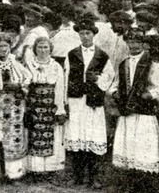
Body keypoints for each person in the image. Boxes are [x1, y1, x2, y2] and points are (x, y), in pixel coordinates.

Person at [110, 28, 159, 190]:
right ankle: (130, 182)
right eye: (131, 42)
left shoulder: (153, 65)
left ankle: (144, 184)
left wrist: (150, 94)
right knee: (129, 146)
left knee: (143, 147)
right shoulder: (123, 64)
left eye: (137, 42)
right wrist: (115, 93)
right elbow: (114, 84)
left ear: (143, 44)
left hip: (144, 112)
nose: (134, 45)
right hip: (127, 112)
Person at [64, 19, 115, 189]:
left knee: (92, 137)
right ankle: (77, 176)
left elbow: (109, 76)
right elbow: (66, 77)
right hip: (76, 101)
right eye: (82, 33)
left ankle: (94, 177)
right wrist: (66, 99)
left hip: (93, 102)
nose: (85, 36)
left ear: (93, 35)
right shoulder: (71, 54)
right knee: (77, 136)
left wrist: (98, 79)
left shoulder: (102, 55)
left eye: (88, 33)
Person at [0, 32, 32, 185]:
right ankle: (1, 172)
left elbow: (28, 76)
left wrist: (20, 86)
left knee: (15, 136)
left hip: (15, 106)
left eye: (6, 46)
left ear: (10, 46)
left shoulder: (15, 60)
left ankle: (16, 172)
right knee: (1, 135)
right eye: (0, 46)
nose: (3, 49)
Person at [23, 36, 66, 181]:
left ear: (50, 49)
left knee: (50, 135)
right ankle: (35, 169)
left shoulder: (56, 66)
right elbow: (24, 85)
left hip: (50, 105)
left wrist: (60, 108)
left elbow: (60, 88)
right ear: (35, 49)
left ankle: (50, 168)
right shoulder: (28, 64)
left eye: (46, 47)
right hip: (34, 105)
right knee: (34, 135)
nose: (43, 50)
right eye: (40, 47)